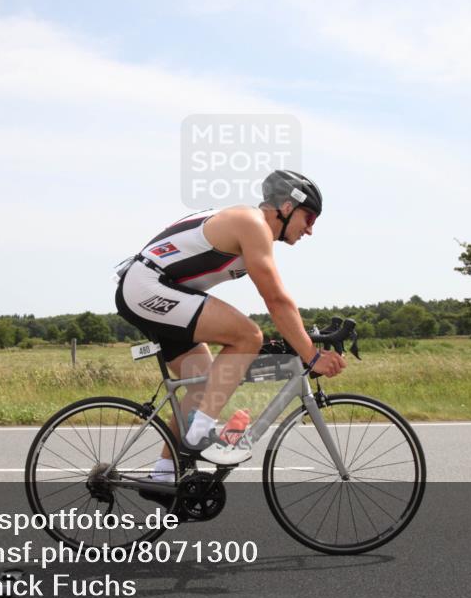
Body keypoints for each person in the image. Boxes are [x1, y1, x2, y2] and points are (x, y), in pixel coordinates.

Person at [114, 170, 346, 477]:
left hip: (152, 288)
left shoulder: (251, 227)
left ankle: (164, 472)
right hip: (147, 285)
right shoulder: (252, 224)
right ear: (288, 207)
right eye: (310, 218)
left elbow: (277, 301)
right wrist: (312, 357)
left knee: (203, 383)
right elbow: (275, 299)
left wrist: (300, 337)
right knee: (248, 336)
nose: (311, 230)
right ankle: (200, 436)